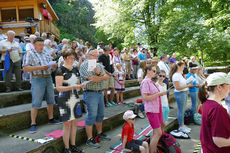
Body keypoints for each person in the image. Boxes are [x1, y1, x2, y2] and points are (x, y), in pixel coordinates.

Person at [23, 37, 60, 133]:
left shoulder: (45, 53)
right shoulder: (29, 53)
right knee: (36, 102)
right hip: (37, 78)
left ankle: (51, 119)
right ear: (34, 45)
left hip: (48, 77)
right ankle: (33, 123)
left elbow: (51, 66)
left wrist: (53, 67)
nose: (41, 47)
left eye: (42, 45)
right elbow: (25, 68)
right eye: (39, 45)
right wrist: (40, 67)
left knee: (51, 99)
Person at [79, 49, 111, 148]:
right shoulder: (84, 65)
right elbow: (92, 79)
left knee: (100, 114)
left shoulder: (98, 65)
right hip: (90, 93)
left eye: (97, 56)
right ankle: (89, 139)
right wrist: (100, 76)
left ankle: (99, 133)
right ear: (88, 55)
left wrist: (99, 75)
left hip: (99, 93)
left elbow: (106, 76)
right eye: (94, 56)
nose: (96, 58)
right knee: (91, 115)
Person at [55, 49, 85, 153]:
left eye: (73, 58)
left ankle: (73, 145)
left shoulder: (76, 69)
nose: (72, 60)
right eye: (70, 58)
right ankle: (66, 148)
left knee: (75, 123)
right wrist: (73, 87)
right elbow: (58, 88)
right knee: (67, 124)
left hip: (75, 97)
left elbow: (77, 85)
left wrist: (80, 86)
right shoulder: (60, 70)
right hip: (64, 98)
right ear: (64, 57)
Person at [198, 72, 230, 153]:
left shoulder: (206, 103)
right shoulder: (217, 109)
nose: (229, 89)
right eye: (229, 86)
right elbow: (219, 141)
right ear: (219, 87)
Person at [140, 65, 167, 153]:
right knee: (158, 132)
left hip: (156, 109)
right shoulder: (145, 82)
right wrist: (159, 94)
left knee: (157, 131)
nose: (155, 73)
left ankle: (154, 149)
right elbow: (145, 97)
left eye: (156, 71)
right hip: (151, 110)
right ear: (148, 71)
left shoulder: (150, 81)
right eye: (154, 71)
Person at [169, 61, 195, 133]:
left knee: (183, 110)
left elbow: (183, 83)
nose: (184, 68)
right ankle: (181, 126)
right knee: (181, 110)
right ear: (179, 66)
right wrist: (188, 85)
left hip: (183, 92)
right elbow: (177, 87)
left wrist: (188, 82)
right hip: (180, 94)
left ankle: (182, 125)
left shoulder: (180, 74)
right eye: (183, 66)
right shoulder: (176, 75)